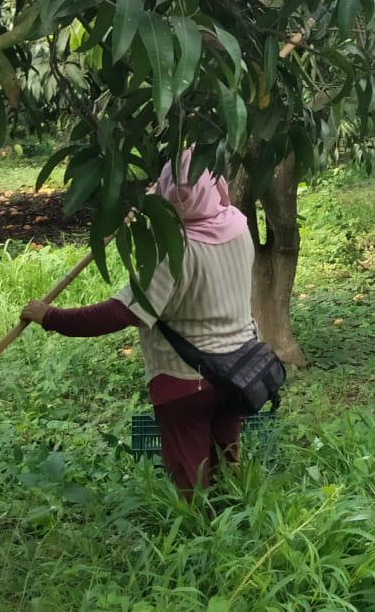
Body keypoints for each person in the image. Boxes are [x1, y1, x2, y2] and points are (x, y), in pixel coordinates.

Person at [21, 151, 258, 497]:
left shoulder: (175, 251)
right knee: (227, 464)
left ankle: (197, 539)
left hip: (187, 379)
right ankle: (237, 530)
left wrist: (51, 316)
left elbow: (119, 313)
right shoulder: (237, 224)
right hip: (238, 370)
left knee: (190, 479)